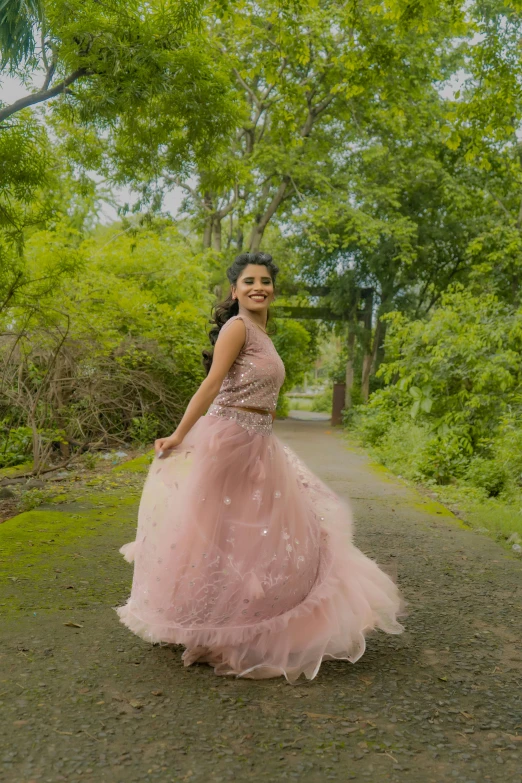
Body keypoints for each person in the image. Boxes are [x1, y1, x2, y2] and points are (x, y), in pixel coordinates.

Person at [115, 251, 405, 682]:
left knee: (269, 533)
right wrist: (178, 434)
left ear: (273, 289)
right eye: (249, 281)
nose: (258, 287)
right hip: (228, 439)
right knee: (221, 534)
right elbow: (211, 384)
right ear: (234, 291)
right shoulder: (237, 328)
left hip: (259, 441)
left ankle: (241, 620)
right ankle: (215, 626)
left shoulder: (263, 333)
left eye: (265, 281)